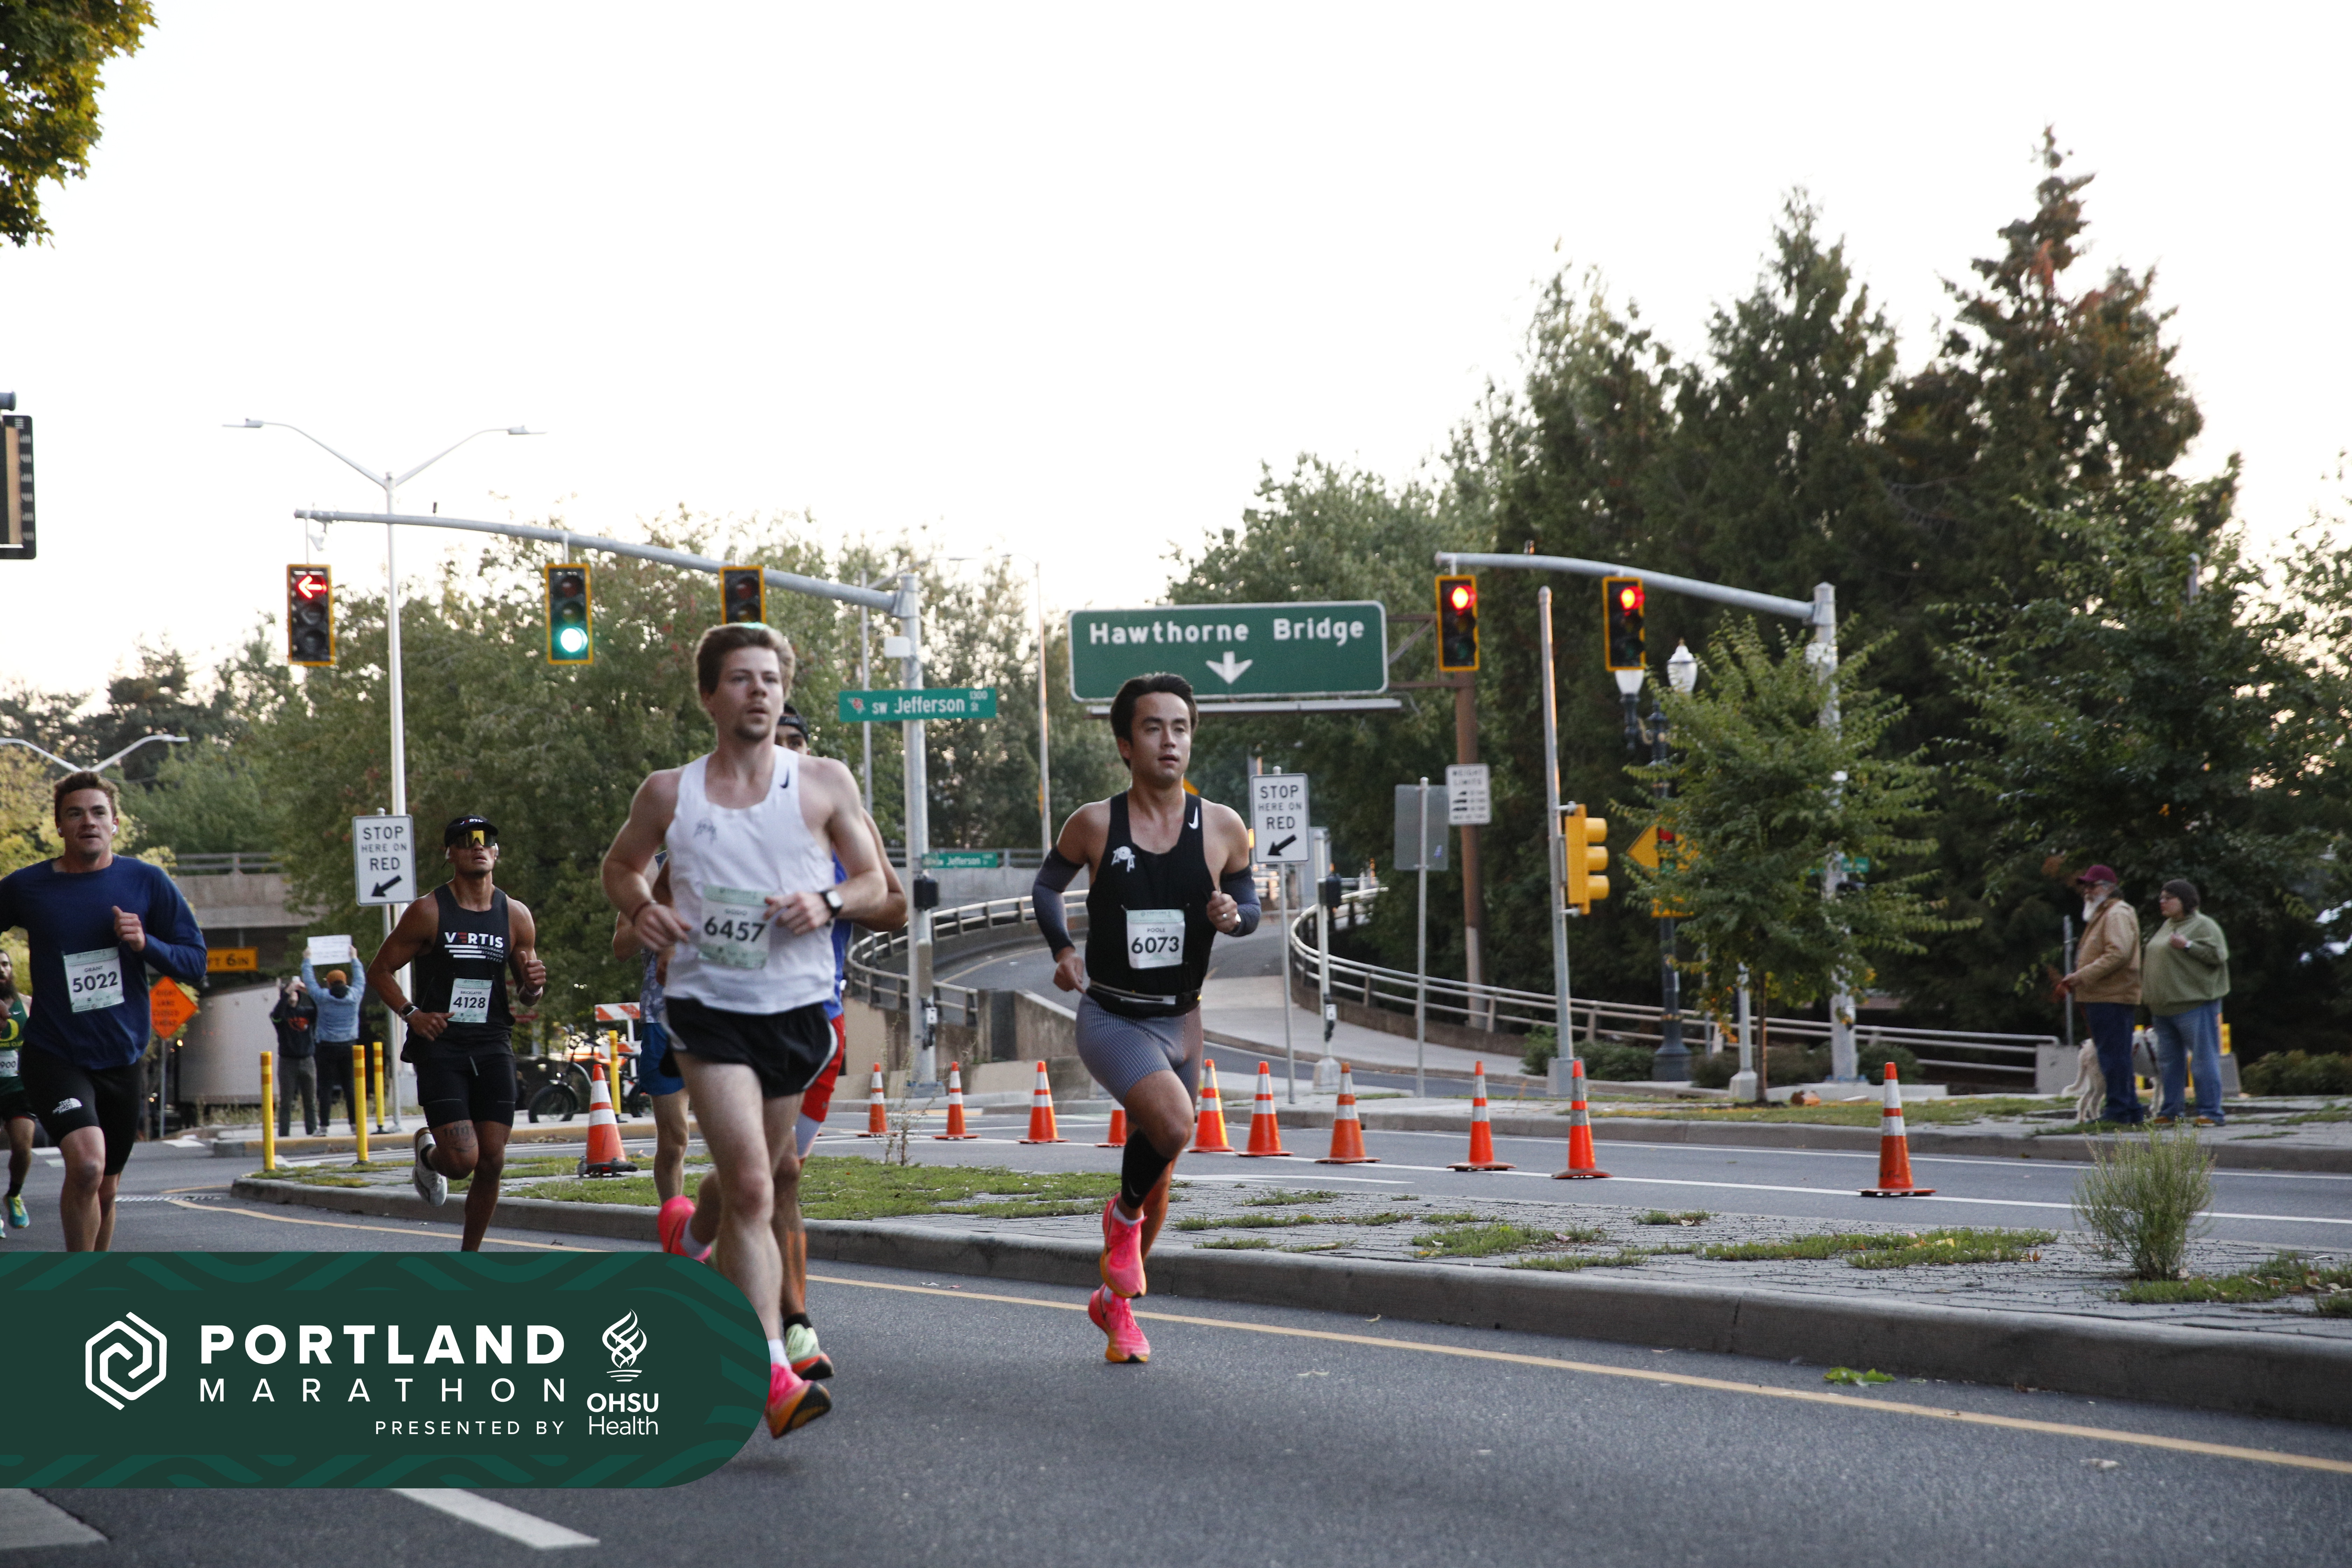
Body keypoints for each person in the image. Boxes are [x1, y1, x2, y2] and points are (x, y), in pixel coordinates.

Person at [601, 624, 888, 1438]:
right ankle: (770, 1373)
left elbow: (875, 883)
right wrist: (642, 908)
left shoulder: (825, 782)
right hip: (709, 1011)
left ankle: (690, 1233)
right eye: (739, 678)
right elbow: (620, 867)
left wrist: (827, 902)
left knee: (742, 1184)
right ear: (709, 696)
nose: (758, 690)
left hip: (796, 1014)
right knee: (758, 1187)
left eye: (770, 677)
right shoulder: (670, 792)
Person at [640, 705, 906, 1387]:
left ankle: (691, 1236)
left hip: (815, 1016)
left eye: (795, 744)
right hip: (725, 1013)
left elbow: (894, 904)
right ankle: (792, 1325)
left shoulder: (834, 809)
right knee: (771, 1174)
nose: (781, 755)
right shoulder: (708, 814)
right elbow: (647, 900)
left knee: (764, 1174)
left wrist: (830, 899)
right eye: (774, 742)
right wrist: (656, 925)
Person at [1030, 673, 1256, 1364]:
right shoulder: (1095, 823)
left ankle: (1116, 1305)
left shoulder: (1223, 826)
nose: (1169, 740)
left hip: (1182, 1021)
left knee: (1159, 1173)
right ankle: (1120, 1216)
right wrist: (1063, 948)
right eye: (1153, 727)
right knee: (1176, 1124)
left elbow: (1249, 903)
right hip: (1113, 1016)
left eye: (1180, 727)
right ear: (1127, 745)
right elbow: (1047, 885)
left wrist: (1235, 915)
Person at [0, 770, 206, 1250]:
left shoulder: (146, 881)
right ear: (59, 826)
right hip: (55, 1053)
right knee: (88, 1165)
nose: (88, 822)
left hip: (121, 1055)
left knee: (107, 1189)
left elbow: (196, 962)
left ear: (115, 823)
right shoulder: (29, 887)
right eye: (75, 814)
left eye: (98, 813)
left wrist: (146, 943)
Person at [365, 816, 546, 1252]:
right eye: (466, 841)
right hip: (441, 1046)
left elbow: (528, 995)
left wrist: (533, 987)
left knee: (493, 1160)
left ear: (496, 852)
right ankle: (429, 1156)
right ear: (450, 853)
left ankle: (470, 1257)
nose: (478, 846)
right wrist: (412, 1014)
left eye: (486, 840)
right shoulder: (429, 911)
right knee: (463, 1162)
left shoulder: (515, 914)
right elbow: (380, 970)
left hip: (492, 1043)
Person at [2059, 864, 2143, 1126]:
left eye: (2092, 886)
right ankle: (2129, 1110)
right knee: (2115, 1055)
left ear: (2108, 888)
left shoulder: (2116, 914)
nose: (2087, 891)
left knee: (2113, 1057)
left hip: (2111, 997)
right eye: (2085, 886)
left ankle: (2118, 1112)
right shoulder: (2105, 914)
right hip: (2105, 996)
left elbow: (2119, 953)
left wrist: (2082, 976)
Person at [2144, 879, 2231, 1127]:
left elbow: (2219, 955)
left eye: (2168, 898)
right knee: (2169, 1063)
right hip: (2163, 1008)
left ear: (2185, 900)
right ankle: (2171, 1112)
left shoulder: (2204, 925)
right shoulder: (2168, 926)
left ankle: (2211, 1112)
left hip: (2194, 1005)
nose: (2162, 902)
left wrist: (2188, 946)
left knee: (2203, 1060)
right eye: (2161, 898)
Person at [303, 954, 367, 1128]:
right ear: (345, 982)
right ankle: (354, 1125)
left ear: (329, 984)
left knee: (326, 1087)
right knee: (350, 1086)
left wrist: (307, 960)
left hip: (326, 1047)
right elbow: (360, 979)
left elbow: (309, 982)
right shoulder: (355, 996)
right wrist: (354, 958)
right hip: (349, 1045)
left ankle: (324, 1126)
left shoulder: (322, 997)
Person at [1, 949, 36, 1230]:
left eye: (5, 964)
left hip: (19, 1090)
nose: (1, 969)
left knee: (23, 1149)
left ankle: (14, 1195)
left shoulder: (27, 1004)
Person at [269, 972, 321, 1137]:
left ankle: (312, 1132)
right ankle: (284, 1134)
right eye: (291, 993)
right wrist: (287, 992)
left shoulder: (307, 1013)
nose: (294, 994)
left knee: (310, 1101)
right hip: (288, 1062)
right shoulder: (281, 1016)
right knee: (286, 1101)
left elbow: (320, 1008)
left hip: (307, 1060)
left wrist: (308, 992)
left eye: (295, 993)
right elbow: (276, 1015)